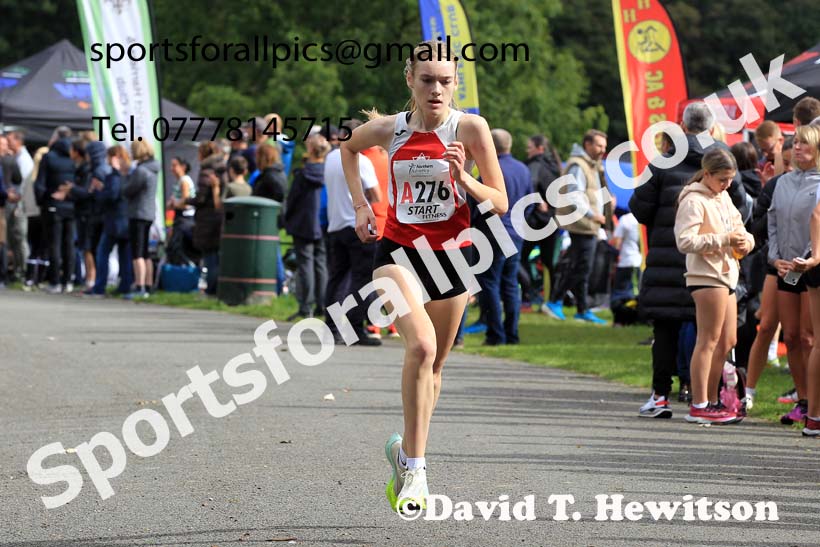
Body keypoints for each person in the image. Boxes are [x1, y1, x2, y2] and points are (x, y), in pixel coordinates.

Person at [341, 39, 508, 513]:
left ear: (456, 84)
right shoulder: (389, 129)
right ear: (409, 79)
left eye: (445, 81)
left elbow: (500, 201)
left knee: (434, 370)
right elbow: (347, 149)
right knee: (421, 347)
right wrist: (361, 207)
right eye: (427, 79)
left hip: (452, 258)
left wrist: (465, 178)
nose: (436, 89)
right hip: (398, 253)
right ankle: (417, 473)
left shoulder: (470, 127)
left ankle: (402, 455)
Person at [630, 101, 749, 419]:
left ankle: (660, 396)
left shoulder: (661, 162)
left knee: (666, 327)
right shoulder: (724, 159)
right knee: (710, 333)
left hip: (668, 256)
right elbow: (740, 208)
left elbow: (638, 207)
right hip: (714, 262)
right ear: (711, 128)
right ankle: (703, 396)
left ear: (682, 126)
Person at [675, 148, 754, 424]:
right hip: (706, 276)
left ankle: (712, 400)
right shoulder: (693, 200)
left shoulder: (722, 197)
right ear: (706, 174)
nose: (727, 185)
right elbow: (685, 241)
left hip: (727, 274)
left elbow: (740, 230)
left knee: (728, 340)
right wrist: (724, 240)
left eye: (730, 179)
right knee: (707, 340)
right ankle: (699, 403)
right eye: (722, 179)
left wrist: (747, 242)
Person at [768, 124, 820, 425]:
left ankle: (815, 401)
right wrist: (776, 259)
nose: (797, 147)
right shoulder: (783, 182)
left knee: (809, 336)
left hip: (810, 266)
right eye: (795, 142)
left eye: (804, 143)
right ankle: (802, 399)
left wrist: (808, 256)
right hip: (786, 268)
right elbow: (772, 220)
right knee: (790, 336)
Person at [323, 119, 383, 347]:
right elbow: (376, 195)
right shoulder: (362, 160)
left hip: (336, 223)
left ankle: (330, 325)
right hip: (358, 224)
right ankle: (355, 327)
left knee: (336, 276)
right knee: (362, 279)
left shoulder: (330, 157)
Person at [544, 129, 610, 324]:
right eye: (599, 145)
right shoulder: (579, 166)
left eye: (604, 147)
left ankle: (582, 308)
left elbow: (592, 192)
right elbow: (574, 194)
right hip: (582, 223)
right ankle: (555, 301)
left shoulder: (592, 165)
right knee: (580, 267)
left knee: (582, 267)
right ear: (587, 145)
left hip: (588, 224)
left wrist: (607, 203)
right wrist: (593, 214)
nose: (602, 150)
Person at [474, 128, 532, 345]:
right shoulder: (523, 169)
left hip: (493, 230)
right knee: (510, 283)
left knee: (489, 283)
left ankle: (495, 335)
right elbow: (530, 202)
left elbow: (480, 202)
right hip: (516, 231)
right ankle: (512, 334)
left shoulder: (491, 169)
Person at [283, 134, 329, 321]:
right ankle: (322, 304)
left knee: (305, 264)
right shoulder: (328, 172)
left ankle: (305, 305)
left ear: (310, 149)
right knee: (321, 264)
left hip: (303, 222)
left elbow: (292, 200)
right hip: (324, 221)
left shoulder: (302, 175)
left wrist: (287, 219)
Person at [35, 126, 77, 294]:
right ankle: (68, 281)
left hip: (52, 205)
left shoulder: (48, 157)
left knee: (54, 244)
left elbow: (40, 183)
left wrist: (42, 200)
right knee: (69, 244)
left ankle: (55, 281)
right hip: (72, 205)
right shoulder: (74, 156)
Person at [88, 145, 134, 295]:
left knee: (103, 252)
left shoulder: (115, 175)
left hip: (115, 220)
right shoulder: (130, 172)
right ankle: (124, 285)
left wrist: (99, 192)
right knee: (124, 255)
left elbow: (113, 194)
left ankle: (99, 286)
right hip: (126, 219)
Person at [523, 135, 561, 307]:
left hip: (534, 221)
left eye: (530, 147)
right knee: (549, 262)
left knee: (520, 259)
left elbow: (530, 183)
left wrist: (536, 200)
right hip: (551, 220)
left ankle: (530, 294)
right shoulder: (556, 167)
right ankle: (552, 299)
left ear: (540, 148)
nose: (527, 150)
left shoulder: (535, 165)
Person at [122, 140, 160, 298]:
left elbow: (128, 190)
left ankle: (140, 286)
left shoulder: (141, 171)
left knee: (137, 252)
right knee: (145, 252)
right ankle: (148, 285)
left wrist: (124, 177)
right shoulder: (154, 168)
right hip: (149, 212)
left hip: (138, 212)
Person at [191, 142, 226, 295]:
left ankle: (211, 290)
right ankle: (217, 287)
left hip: (208, 219)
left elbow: (201, 198)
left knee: (210, 256)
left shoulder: (206, 172)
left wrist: (186, 201)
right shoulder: (222, 168)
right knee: (217, 255)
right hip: (219, 218)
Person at [5, 132, 32, 283]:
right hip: (15, 202)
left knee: (19, 237)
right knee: (13, 237)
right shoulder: (16, 157)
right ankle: (17, 269)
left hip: (18, 203)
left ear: (18, 141)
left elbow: (24, 185)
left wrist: (19, 203)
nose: (8, 144)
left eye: (10, 141)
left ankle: (22, 270)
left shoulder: (24, 159)